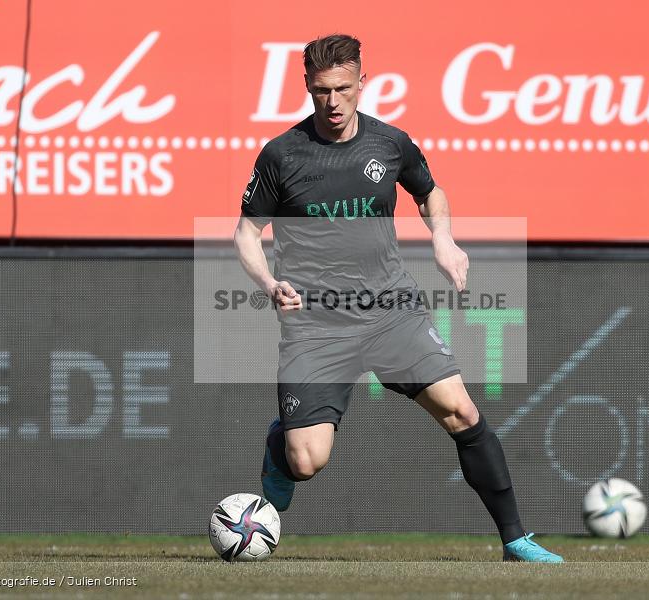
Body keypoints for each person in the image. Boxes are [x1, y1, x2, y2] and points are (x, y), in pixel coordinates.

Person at [233, 34, 562, 563]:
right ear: (307, 88)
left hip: (391, 312)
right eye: (321, 90)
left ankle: (515, 540)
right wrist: (270, 284)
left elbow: (429, 192)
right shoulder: (281, 155)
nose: (333, 101)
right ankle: (282, 447)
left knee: (461, 411)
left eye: (343, 88)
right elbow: (246, 234)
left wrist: (443, 238)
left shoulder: (390, 144)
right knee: (307, 461)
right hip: (316, 326)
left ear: (363, 83)